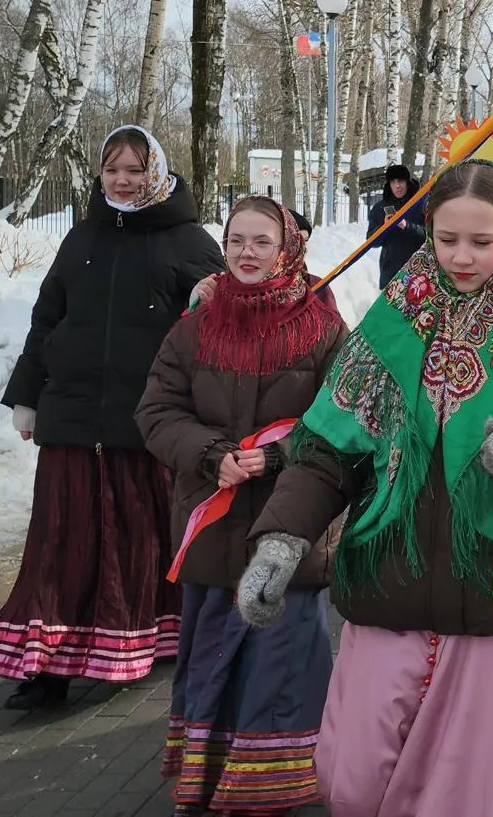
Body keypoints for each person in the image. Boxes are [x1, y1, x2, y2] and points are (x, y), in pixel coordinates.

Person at [237, 159, 493, 816]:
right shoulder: (392, 324)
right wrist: (282, 537)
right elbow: (329, 450)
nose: (462, 256)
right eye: (446, 239)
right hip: (388, 588)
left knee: (467, 799)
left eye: (481, 241)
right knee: (352, 782)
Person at [0, 125, 224, 710]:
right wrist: (28, 395)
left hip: (146, 426)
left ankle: (142, 643)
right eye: (113, 169)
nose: (123, 180)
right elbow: (47, 319)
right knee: (61, 542)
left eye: (135, 170)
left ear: (156, 173)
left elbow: (215, 330)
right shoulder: (81, 236)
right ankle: (46, 665)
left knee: (140, 538)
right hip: (74, 419)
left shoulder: (187, 240)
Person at [137, 197, 347, 815]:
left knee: (282, 662)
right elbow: (155, 412)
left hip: (291, 531)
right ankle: (213, 780)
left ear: (287, 247)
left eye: (261, 242)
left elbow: (347, 423)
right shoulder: (193, 328)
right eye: (236, 242)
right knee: (211, 663)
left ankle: (277, 786)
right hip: (213, 525)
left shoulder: (324, 328)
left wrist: (281, 456)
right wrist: (209, 453)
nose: (247, 254)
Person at [368, 164, 426, 285]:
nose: (397, 186)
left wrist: (407, 226)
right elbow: (371, 242)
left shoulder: (422, 204)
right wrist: (384, 227)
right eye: (393, 182)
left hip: (419, 273)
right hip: (390, 274)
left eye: (400, 181)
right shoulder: (380, 208)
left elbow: (431, 237)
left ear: (407, 182)